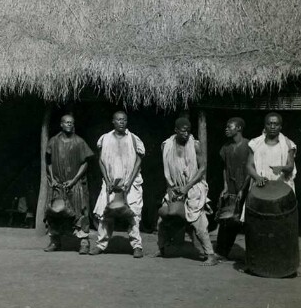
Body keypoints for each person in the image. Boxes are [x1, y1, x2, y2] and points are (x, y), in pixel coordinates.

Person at [154, 117, 218, 266]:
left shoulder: (195, 145)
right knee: (162, 220)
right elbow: (166, 171)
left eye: (188, 131)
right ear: (176, 130)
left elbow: (202, 168)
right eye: (183, 131)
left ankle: (211, 255)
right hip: (175, 187)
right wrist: (170, 189)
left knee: (198, 223)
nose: (186, 134)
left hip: (193, 187)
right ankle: (162, 249)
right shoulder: (167, 145)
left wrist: (187, 187)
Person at [90, 111, 145, 258]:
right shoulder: (105, 138)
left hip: (131, 183)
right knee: (105, 213)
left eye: (124, 120)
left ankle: (137, 246)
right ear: (113, 121)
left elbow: (139, 160)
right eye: (119, 120)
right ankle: (101, 245)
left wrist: (129, 181)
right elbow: (100, 160)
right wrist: (107, 181)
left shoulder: (133, 139)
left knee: (133, 215)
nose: (122, 122)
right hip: (110, 183)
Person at [43, 114, 94, 253]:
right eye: (66, 122)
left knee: (80, 212)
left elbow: (85, 163)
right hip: (58, 184)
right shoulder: (53, 141)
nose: (69, 125)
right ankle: (55, 242)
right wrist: (52, 179)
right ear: (61, 124)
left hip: (75, 183)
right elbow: (49, 162)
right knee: (54, 212)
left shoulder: (79, 142)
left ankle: (84, 242)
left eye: (71, 122)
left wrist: (74, 180)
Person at [215, 117, 250, 260]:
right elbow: (225, 167)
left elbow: (251, 169)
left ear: (239, 128)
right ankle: (222, 252)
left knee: (244, 221)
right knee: (226, 220)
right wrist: (225, 186)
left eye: (230, 127)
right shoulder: (226, 147)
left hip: (245, 188)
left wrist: (243, 189)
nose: (226, 129)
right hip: (230, 188)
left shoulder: (249, 145)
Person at [247, 112, 297, 192]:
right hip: (260, 185)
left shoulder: (289, 144)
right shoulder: (255, 143)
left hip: (282, 186)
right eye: (269, 124)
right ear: (265, 125)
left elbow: (290, 166)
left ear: (280, 127)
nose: (272, 127)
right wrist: (257, 177)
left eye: (276, 124)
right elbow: (249, 166)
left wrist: (281, 168)